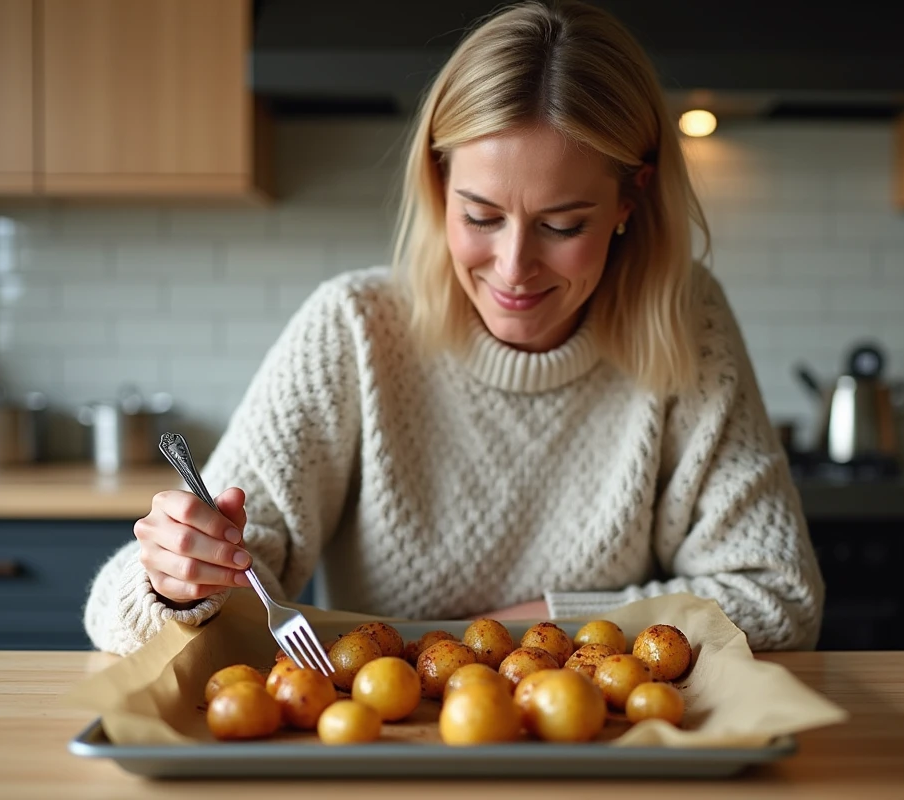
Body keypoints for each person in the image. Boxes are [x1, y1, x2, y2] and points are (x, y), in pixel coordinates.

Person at [84, 0, 824, 656]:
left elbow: (778, 597)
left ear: (630, 199)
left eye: (562, 225)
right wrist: (180, 584)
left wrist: (515, 629)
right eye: (480, 216)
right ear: (438, 185)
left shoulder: (687, 319)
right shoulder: (354, 329)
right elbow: (122, 615)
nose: (513, 267)